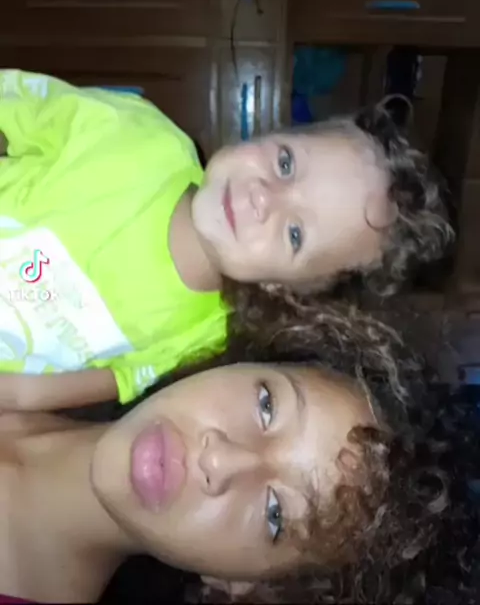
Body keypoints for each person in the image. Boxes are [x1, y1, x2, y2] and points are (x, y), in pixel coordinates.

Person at [0, 70, 451, 413]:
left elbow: (47, 390)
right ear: (273, 131)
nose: (263, 198)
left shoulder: (206, 336)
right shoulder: (132, 135)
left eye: (294, 234)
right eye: (286, 164)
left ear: (287, 288)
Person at [0, 303, 476, 604]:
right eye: (267, 405)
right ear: (245, 362)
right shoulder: (34, 312)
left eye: (275, 516)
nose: (220, 461)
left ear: (246, 585)